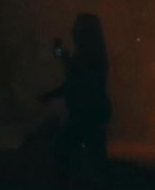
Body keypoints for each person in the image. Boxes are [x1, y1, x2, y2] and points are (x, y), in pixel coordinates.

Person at [40, 13, 111, 167]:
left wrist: (64, 59)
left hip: (87, 114)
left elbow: (77, 81)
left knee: (65, 151)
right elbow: (75, 79)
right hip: (89, 114)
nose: (74, 32)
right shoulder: (93, 54)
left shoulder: (90, 56)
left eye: (78, 28)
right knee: (94, 157)